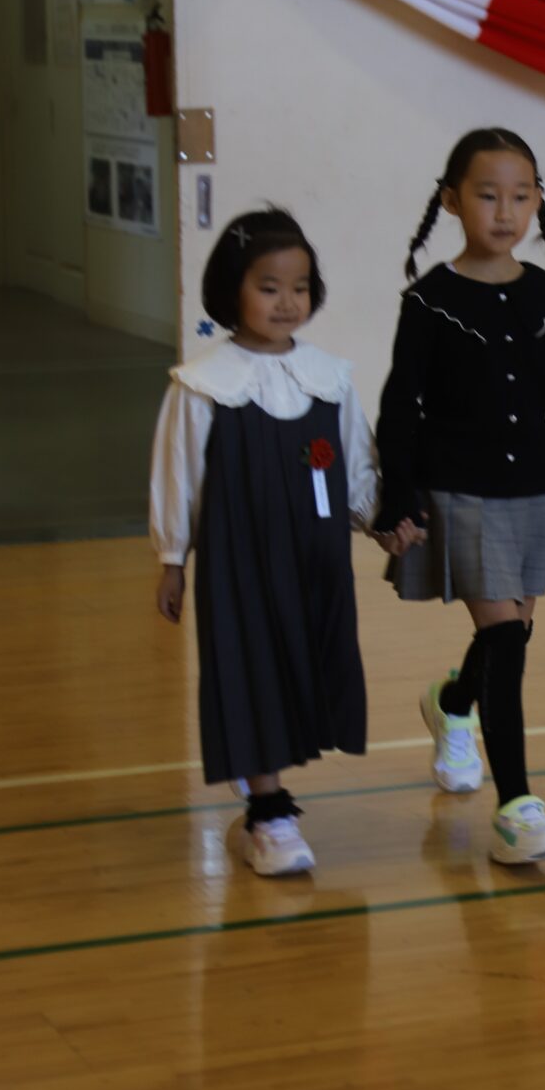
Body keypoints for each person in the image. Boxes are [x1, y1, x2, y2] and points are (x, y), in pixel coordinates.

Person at [374, 128, 545, 865]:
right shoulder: (431, 301)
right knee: (505, 638)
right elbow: (400, 407)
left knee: (512, 641)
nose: (506, 211)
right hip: (459, 494)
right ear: (450, 200)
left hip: (534, 491)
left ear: (538, 202)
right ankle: (518, 809)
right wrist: (399, 497)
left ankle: (453, 705)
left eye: (522, 195)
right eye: (487, 194)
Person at [150, 207, 376, 876]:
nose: (287, 302)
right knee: (246, 670)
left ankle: (269, 798)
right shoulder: (200, 385)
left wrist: (383, 522)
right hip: (240, 563)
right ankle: (268, 814)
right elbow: (178, 475)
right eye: (269, 287)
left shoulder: (331, 378)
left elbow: (357, 465)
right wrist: (172, 559)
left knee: (306, 667)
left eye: (300, 287)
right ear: (231, 290)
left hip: (316, 562)